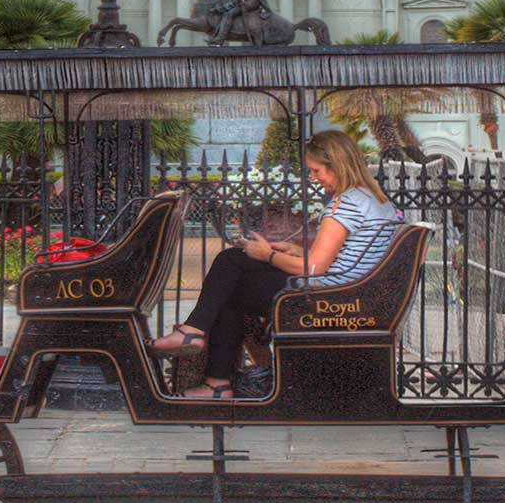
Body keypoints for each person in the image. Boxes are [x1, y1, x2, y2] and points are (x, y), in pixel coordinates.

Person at [149, 130, 404, 399]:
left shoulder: (346, 204)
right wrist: (294, 250)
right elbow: (342, 256)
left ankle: (204, 356)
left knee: (230, 270)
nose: (314, 178)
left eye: (317, 171)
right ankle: (205, 357)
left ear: (338, 164)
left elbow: (313, 269)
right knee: (232, 273)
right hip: (350, 287)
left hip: (330, 295)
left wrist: (266, 255)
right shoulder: (373, 200)